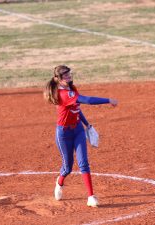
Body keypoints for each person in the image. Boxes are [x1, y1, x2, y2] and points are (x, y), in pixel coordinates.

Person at [44, 65, 118, 207]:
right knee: (68, 167)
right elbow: (87, 100)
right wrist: (108, 100)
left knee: (83, 163)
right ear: (57, 79)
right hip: (64, 134)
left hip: (78, 130)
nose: (68, 76)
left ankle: (91, 197)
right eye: (64, 75)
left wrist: (87, 125)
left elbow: (77, 108)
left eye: (68, 73)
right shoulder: (63, 94)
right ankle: (59, 182)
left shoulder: (72, 89)